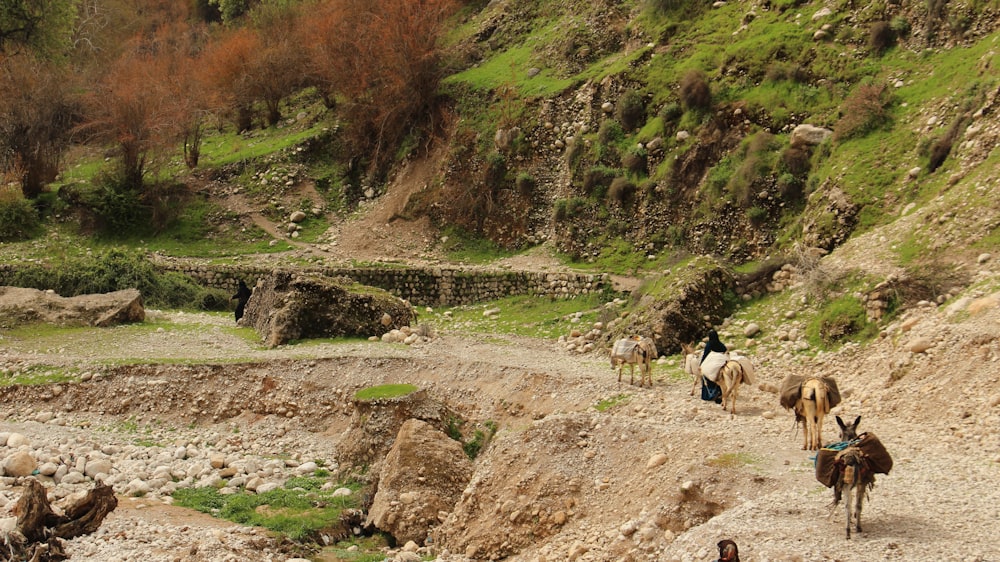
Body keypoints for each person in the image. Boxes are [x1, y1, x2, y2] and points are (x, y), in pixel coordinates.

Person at [700, 329, 727, 404]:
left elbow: (705, 355)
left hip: (712, 363)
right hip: (721, 363)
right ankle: (721, 392)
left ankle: (709, 394)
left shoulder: (709, 344)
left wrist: (701, 364)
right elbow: (725, 350)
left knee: (705, 375)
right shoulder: (720, 343)